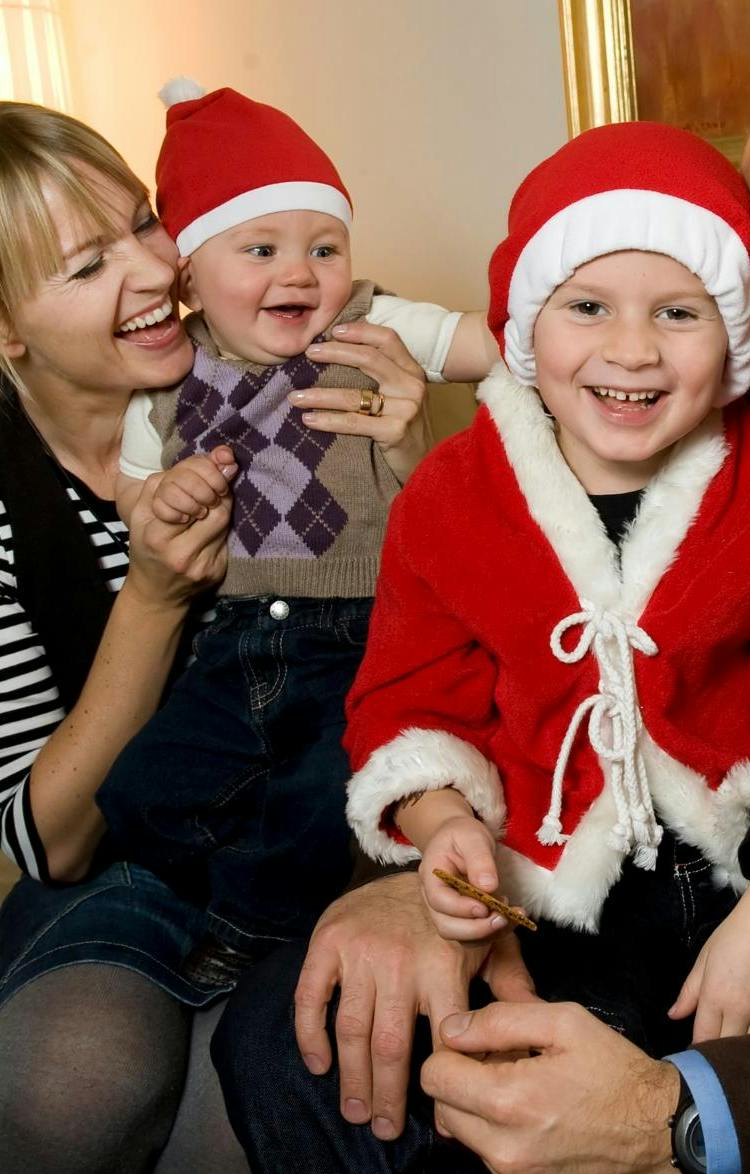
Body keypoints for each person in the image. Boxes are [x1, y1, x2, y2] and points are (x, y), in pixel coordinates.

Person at [213, 36, 750, 1174]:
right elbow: (423, 684)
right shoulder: (745, 406)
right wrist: (429, 858)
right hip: (574, 891)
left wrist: (692, 1112)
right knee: (293, 1028)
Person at [0, 99, 429, 1174]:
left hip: (305, 836)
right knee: (74, 1071)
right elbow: (40, 844)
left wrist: (405, 461)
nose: (154, 266)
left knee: (258, 1113)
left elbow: (424, 628)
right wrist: (151, 598)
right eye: (90, 264)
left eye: (143, 222)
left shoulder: (291, 351)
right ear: (6, 331)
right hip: (124, 861)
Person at [97, 82, 496, 985]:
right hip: (235, 640)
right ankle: (243, 874)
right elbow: (133, 494)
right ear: (191, 274)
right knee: (137, 791)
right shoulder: (168, 381)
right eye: (261, 248)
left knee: (325, 793)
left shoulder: (368, 323)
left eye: (325, 245)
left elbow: (491, 343)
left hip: (367, 630)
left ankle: (257, 923)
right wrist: (161, 501)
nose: (301, 272)